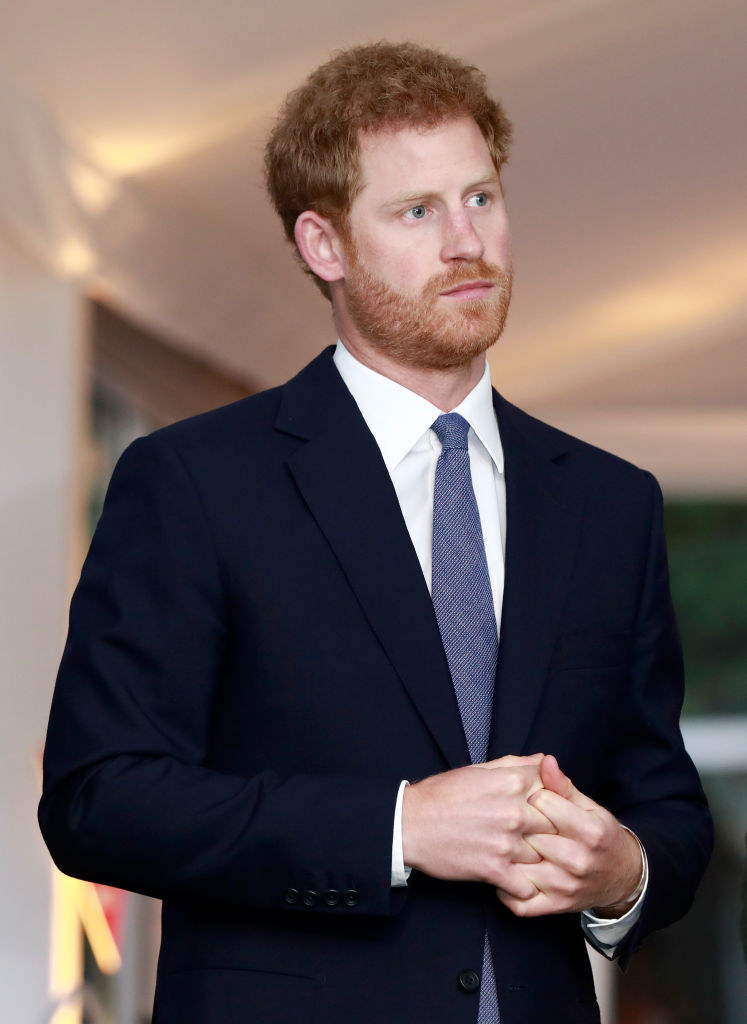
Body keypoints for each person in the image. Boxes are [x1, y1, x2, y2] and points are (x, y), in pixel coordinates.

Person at [39, 42, 713, 1024]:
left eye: (482, 198)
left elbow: (667, 801)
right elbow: (99, 800)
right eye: (417, 211)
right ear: (324, 246)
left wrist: (625, 870)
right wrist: (396, 826)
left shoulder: (611, 503)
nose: (467, 242)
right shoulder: (195, 481)